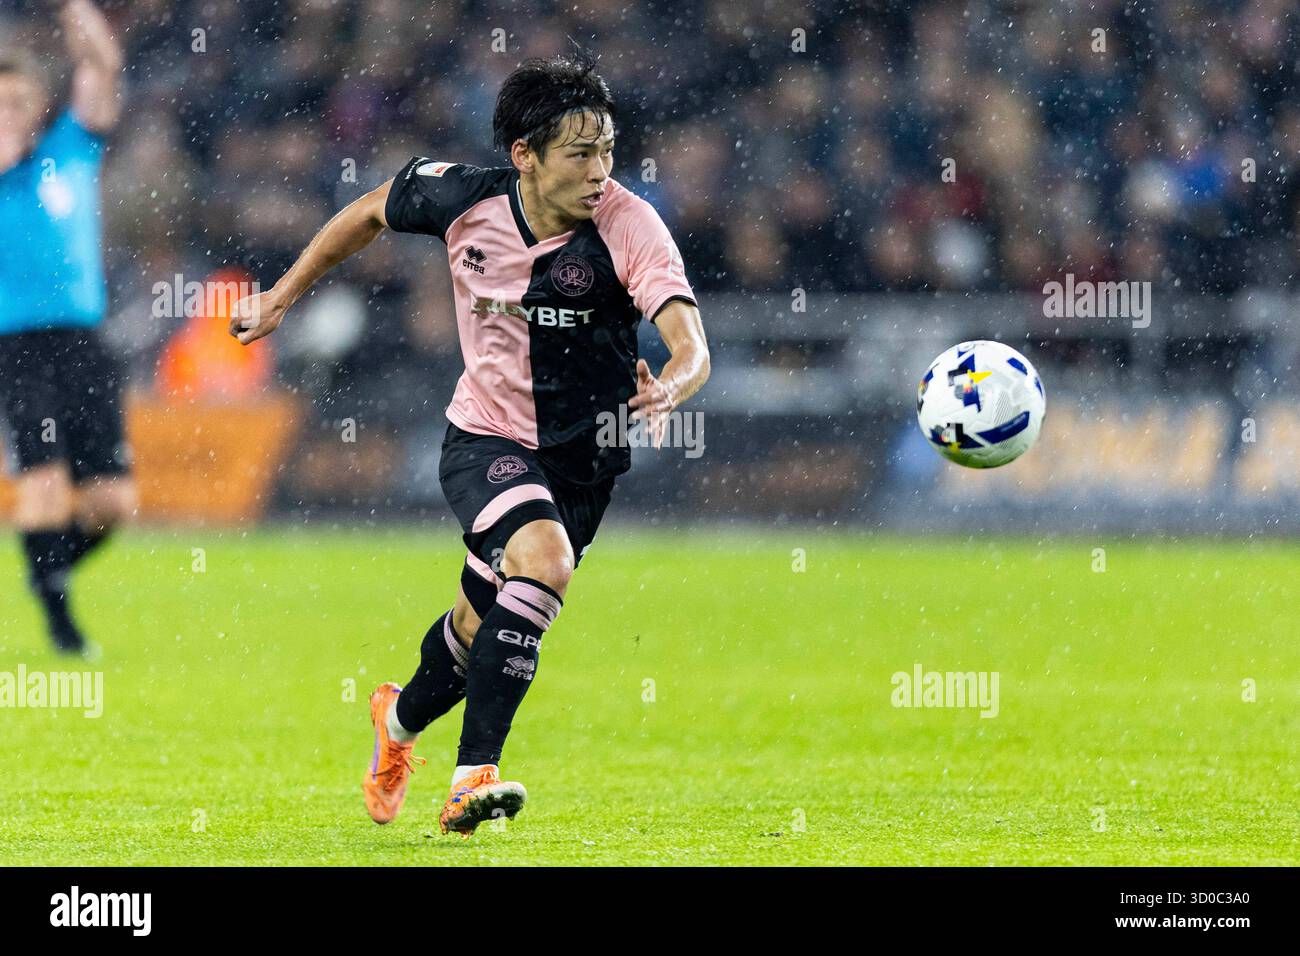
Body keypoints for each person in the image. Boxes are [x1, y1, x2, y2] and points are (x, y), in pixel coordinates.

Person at [230, 50, 710, 837]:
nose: (601, 171)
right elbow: (367, 214)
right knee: (545, 564)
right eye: (581, 153)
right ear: (525, 156)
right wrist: (281, 298)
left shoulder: (629, 224)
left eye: (608, 152)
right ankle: (472, 778)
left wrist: (671, 384)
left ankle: (396, 724)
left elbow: (691, 342)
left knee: (478, 626)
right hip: (484, 437)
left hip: (584, 464)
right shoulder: (459, 197)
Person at [0, 1, 133, 657]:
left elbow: (101, 63)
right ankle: (61, 623)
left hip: (84, 341)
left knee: (113, 502)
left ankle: (44, 571)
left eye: (17, 102)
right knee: (44, 480)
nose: (7, 114)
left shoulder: (71, 148)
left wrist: (72, 7)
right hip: (15, 346)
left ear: (37, 105)